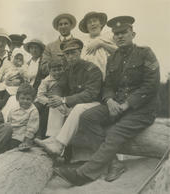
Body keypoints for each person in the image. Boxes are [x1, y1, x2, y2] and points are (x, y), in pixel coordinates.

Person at [53, 16, 160, 186]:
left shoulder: (145, 53)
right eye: (116, 34)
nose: (119, 36)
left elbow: (151, 86)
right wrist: (109, 100)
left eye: (124, 32)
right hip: (116, 104)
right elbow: (108, 85)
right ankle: (114, 163)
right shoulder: (113, 58)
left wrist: (127, 104)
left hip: (142, 109)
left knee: (115, 132)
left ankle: (84, 174)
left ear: (133, 34)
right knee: (88, 116)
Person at [35, 38, 102, 159]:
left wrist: (64, 100)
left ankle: (59, 145)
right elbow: (59, 86)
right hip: (76, 104)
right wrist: (56, 98)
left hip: (94, 104)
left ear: (80, 52)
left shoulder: (92, 69)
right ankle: (52, 139)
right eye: (67, 54)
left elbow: (90, 94)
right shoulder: (68, 70)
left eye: (73, 53)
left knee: (77, 106)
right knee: (55, 101)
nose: (70, 57)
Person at [35, 59, 68, 138]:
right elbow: (40, 95)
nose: (57, 72)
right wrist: (49, 101)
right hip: (46, 100)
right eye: (54, 70)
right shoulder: (46, 81)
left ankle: (55, 135)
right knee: (43, 110)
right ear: (49, 71)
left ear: (63, 69)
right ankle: (40, 134)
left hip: (60, 100)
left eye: (59, 70)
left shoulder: (65, 78)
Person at [79, 11, 117, 79]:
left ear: (101, 24)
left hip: (108, 77)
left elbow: (119, 52)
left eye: (95, 21)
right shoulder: (83, 43)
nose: (92, 24)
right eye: (89, 22)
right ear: (87, 27)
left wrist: (101, 44)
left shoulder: (109, 37)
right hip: (89, 79)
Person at [6, 83, 39, 151]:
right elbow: (9, 121)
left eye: (28, 99)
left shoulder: (33, 111)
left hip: (22, 135)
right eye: (22, 98)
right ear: (18, 98)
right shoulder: (14, 109)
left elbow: (32, 128)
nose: (25, 101)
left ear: (33, 99)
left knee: (12, 145)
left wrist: (27, 140)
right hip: (10, 133)